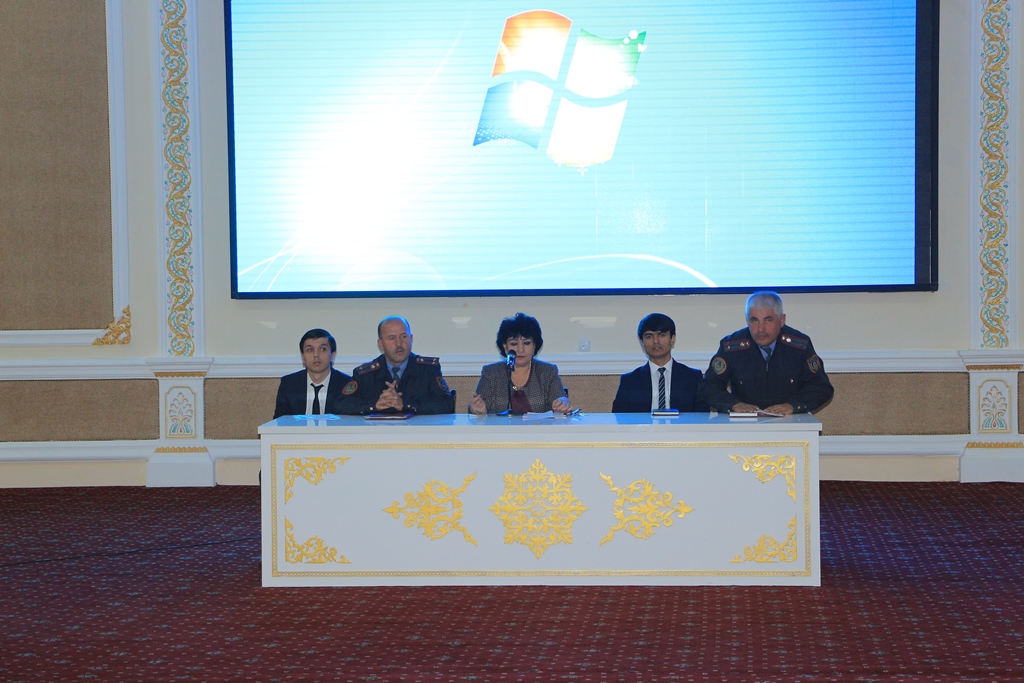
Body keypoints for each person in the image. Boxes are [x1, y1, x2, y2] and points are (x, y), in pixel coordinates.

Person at [697, 291, 834, 415]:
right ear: (747, 320)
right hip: (743, 424)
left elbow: (821, 387)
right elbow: (708, 386)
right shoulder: (732, 346)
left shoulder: (799, 345)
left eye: (768, 320)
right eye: (754, 320)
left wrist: (793, 406)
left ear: (781, 320)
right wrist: (733, 405)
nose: (761, 329)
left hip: (789, 422)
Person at [347, 316, 455, 415]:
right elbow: (342, 404)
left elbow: (446, 403)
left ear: (411, 339)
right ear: (381, 344)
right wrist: (374, 405)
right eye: (391, 338)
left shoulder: (428, 369)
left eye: (403, 337)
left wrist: (406, 404)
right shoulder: (365, 374)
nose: (399, 344)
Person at [469, 312, 572, 415]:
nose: (520, 349)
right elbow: (479, 406)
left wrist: (562, 403)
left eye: (526, 343)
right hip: (500, 426)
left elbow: (559, 399)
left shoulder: (548, 371)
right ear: (505, 346)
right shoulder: (491, 372)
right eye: (514, 343)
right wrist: (476, 408)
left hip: (538, 426)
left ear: (534, 345)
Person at [612, 313, 708, 413]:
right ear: (642, 342)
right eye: (649, 336)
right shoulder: (629, 381)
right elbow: (620, 418)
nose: (656, 341)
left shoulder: (693, 378)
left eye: (662, 335)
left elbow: (702, 417)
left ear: (672, 339)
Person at [274, 328, 356, 418]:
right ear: (303, 356)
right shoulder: (289, 384)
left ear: (332, 355)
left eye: (322, 349)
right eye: (309, 350)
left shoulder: (347, 384)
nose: (316, 355)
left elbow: (351, 421)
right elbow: (280, 421)